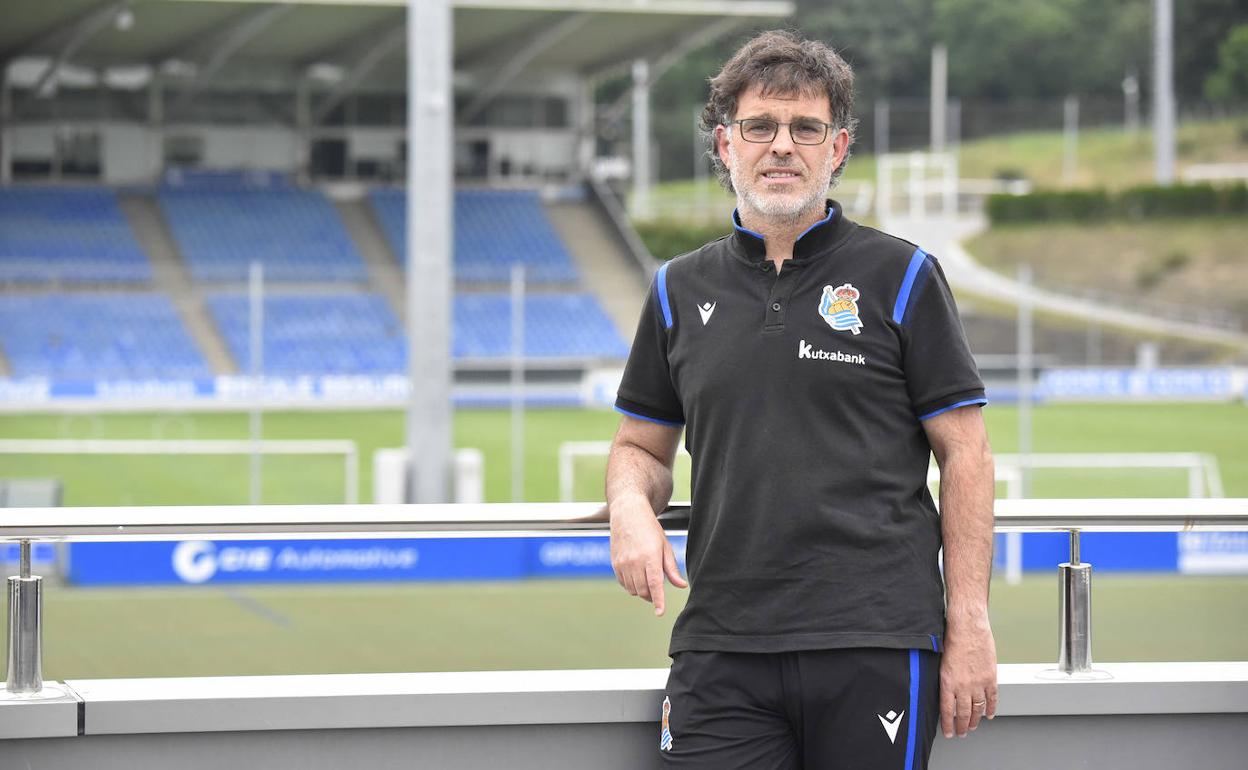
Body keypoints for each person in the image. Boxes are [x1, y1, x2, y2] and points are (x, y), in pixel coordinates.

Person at [606, 30, 998, 769]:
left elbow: (966, 453)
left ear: (837, 147)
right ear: (726, 145)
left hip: (876, 638)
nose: (781, 146)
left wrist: (969, 621)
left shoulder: (905, 277)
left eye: (805, 128)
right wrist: (630, 506)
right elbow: (639, 448)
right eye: (760, 126)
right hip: (722, 642)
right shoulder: (675, 290)